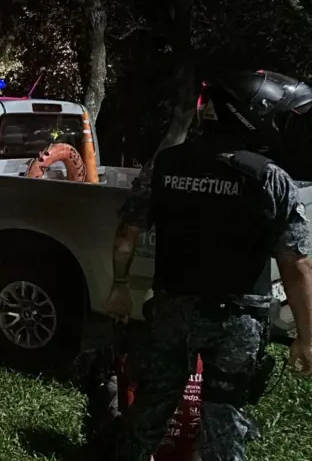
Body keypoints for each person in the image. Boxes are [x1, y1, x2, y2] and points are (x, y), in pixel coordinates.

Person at [105, 70, 312, 461]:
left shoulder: (166, 164)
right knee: (225, 416)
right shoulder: (269, 179)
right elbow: (296, 264)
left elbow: (126, 235)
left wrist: (120, 285)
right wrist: (306, 337)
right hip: (235, 321)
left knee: (151, 404)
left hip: (171, 310)